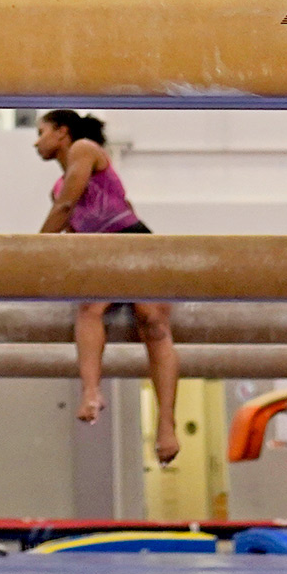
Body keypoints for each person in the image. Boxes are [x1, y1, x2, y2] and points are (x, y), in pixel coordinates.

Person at [35, 109, 180, 465]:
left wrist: (32, 251)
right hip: (100, 251)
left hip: (131, 240)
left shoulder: (85, 148)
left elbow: (69, 206)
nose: (36, 141)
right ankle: (91, 392)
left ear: (62, 133)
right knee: (89, 308)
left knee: (153, 322)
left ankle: (166, 424)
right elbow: (72, 226)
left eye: (41, 132)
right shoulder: (54, 187)